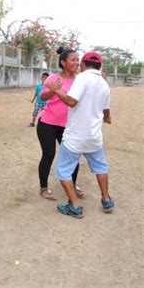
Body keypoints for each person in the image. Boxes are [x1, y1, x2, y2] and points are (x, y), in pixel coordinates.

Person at [50, 51, 113, 218]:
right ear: (100, 66)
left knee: (64, 171)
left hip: (75, 137)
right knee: (101, 167)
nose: (78, 65)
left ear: (84, 64)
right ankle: (106, 199)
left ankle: (75, 206)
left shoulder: (82, 78)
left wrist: (56, 90)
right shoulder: (104, 83)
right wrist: (106, 118)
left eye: (80, 62)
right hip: (94, 137)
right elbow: (106, 112)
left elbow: (71, 101)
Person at [36, 47, 82, 200]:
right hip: (47, 123)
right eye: (73, 60)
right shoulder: (54, 78)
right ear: (63, 62)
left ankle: (73, 185)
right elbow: (42, 97)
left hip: (69, 126)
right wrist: (53, 90)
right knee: (49, 154)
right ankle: (44, 187)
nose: (77, 62)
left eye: (78, 59)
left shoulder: (80, 79)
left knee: (72, 156)